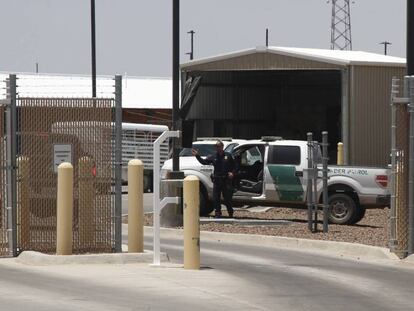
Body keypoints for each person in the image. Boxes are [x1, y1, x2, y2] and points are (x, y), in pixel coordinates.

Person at [192, 140, 236, 218]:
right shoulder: (214, 156)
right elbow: (204, 162)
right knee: (216, 198)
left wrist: (232, 173)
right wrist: (197, 156)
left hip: (226, 180)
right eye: (216, 147)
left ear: (222, 147)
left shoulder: (228, 156)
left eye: (218, 146)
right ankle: (218, 213)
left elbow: (235, 166)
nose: (217, 148)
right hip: (217, 180)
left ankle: (230, 212)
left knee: (227, 198)